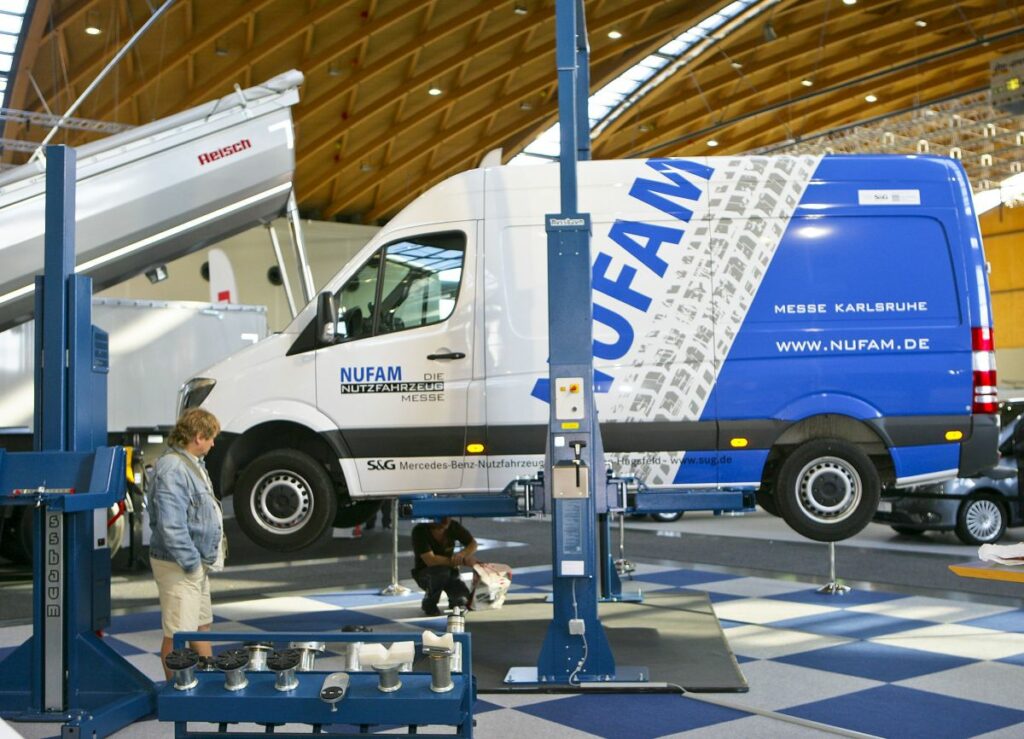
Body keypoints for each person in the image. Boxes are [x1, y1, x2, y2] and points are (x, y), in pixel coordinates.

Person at [147, 408, 224, 679]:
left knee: (201, 626)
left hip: (194, 563)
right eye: (211, 438)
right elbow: (171, 526)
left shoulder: (191, 463)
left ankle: (208, 684)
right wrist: (191, 564)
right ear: (198, 437)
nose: (213, 444)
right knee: (178, 635)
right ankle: (175, 693)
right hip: (180, 565)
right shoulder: (173, 469)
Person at [411, 516, 477, 616]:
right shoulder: (420, 531)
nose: (446, 520)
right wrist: (461, 561)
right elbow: (430, 560)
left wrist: (462, 554)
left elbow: (472, 543)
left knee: (462, 600)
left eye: (448, 516)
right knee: (441, 572)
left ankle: (454, 600)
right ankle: (429, 602)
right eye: (441, 517)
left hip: (450, 573)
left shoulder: (453, 526)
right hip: (426, 574)